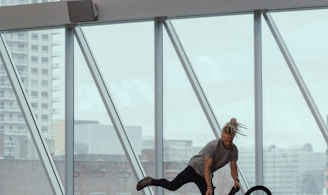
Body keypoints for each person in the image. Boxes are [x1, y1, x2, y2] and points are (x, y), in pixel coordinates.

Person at [136, 117, 246, 195]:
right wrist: (209, 186)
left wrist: (236, 180)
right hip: (194, 168)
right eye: (225, 140)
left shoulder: (233, 151)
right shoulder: (213, 146)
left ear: (233, 138)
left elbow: (233, 167)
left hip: (204, 176)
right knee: (172, 186)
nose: (227, 143)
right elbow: (207, 167)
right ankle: (150, 181)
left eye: (230, 141)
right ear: (221, 136)